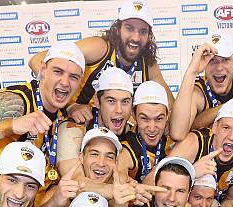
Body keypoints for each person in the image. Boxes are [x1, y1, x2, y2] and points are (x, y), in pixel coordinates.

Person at [0, 41, 85, 204]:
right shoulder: (15, 102)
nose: (65, 82)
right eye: (58, 72)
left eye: (73, 77)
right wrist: (11, 126)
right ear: (43, 70)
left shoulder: (61, 115)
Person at [29, 0, 174, 124]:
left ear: (149, 36)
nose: (136, 38)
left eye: (143, 32)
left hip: (113, 130)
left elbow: (170, 105)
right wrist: (69, 106)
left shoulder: (147, 63)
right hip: (75, 124)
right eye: (129, 29)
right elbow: (36, 60)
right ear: (118, 29)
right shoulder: (100, 48)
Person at [169, 35, 233, 141]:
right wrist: (192, 72)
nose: (219, 68)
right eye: (212, 61)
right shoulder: (197, 92)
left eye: (226, 60)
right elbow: (177, 134)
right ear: (204, 64)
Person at [166, 98, 233, 207]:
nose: (232, 137)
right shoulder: (194, 143)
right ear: (215, 127)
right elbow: (154, 180)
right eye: (226, 128)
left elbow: (230, 199)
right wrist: (191, 172)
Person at [119, 80, 174, 182]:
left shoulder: (175, 140)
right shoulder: (126, 150)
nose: (152, 128)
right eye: (145, 119)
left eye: (159, 119)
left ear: (167, 116)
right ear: (134, 116)